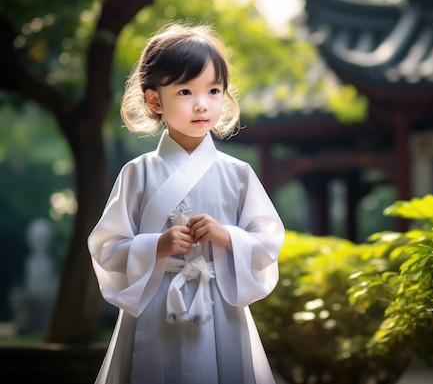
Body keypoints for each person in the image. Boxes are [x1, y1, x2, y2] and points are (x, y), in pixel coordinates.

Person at [88, 21, 285, 384]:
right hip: (154, 306)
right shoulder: (138, 172)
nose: (201, 104)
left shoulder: (238, 173)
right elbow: (106, 247)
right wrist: (155, 246)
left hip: (219, 306)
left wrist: (227, 237)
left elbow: (268, 241)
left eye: (213, 90)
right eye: (184, 91)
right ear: (153, 99)